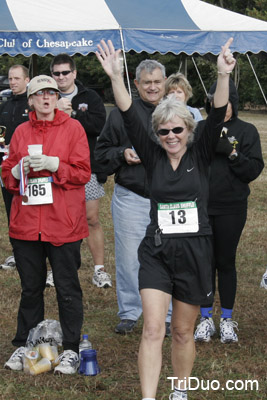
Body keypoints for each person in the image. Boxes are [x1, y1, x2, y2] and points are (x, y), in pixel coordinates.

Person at [96, 38, 236, 400]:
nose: (171, 136)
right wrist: (115, 77)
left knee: (182, 333)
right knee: (153, 329)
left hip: (194, 252)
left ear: (189, 131)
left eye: (178, 130)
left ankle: (180, 391)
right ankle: (147, 397)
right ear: (156, 135)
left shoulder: (201, 154)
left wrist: (222, 73)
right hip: (157, 253)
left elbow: (218, 111)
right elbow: (128, 113)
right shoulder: (153, 155)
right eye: (164, 131)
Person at [2, 75, 91, 374]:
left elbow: (83, 173)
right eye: (39, 94)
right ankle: (24, 344)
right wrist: (14, 170)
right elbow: (7, 176)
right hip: (26, 224)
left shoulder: (74, 128)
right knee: (30, 289)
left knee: (67, 288)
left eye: (51, 93)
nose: (46, 98)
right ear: (30, 100)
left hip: (62, 223)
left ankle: (71, 349)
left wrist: (56, 166)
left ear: (57, 97)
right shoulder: (20, 132)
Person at [95, 58, 173, 335]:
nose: (152, 87)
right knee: (130, 258)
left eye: (157, 81)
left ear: (165, 82)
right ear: (136, 84)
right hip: (132, 196)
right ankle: (130, 311)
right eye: (146, 82)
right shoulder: (119, 115)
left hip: (170, 199)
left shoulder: (178, 112)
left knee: (170, 255)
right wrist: (121, 154)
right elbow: (100, 154)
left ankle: (169, 313)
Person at [194, 78, 264, 344]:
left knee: (225, 262)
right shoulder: (200, 129)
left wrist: (233, 154)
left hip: (232, 207)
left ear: (233, 102)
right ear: (209, 102)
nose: (221, 107)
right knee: (204, 263)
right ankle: (204, 319)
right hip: (200, 207)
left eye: (226, 102)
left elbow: (253, 171)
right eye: (215, 102)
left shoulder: (247, 131)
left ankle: (226, 319)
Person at [48, 53, 111, 289]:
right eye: (57, 73)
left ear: (74, 73)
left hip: (87, 167)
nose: (62, 77)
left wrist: (72, 113)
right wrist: (56, 111)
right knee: (57, 218)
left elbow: (98, 125)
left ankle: (99, 270)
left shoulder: (89, 97)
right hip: (54, 167)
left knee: (91, 218)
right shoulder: (46, 96)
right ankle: (57, 269)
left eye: (66, 72)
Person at [0, 65, 30, 270]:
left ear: (27, 80)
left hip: (28, 166)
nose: (13, 82)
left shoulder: (33, 104)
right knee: (10, 208)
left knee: (27, 209)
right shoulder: (5, 103)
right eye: (10, 78)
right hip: (6, 165)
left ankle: (33, 253)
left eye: (17, 78)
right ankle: (17, 253)